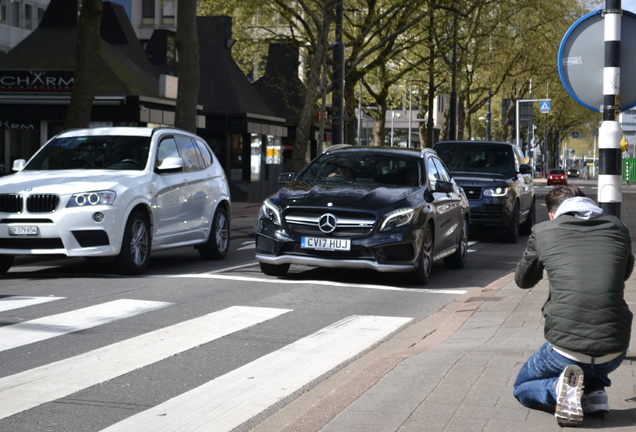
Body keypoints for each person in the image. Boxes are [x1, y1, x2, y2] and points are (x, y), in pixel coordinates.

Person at [513, 185, 634, 427]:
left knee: (522, 386)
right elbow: (624, 273)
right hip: (614, 351)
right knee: (594, 342)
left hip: (564, 351)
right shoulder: (618, 229)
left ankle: (557, 389)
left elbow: (522, 280)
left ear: (552, 214)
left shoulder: (544, 231)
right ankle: (595, 394)